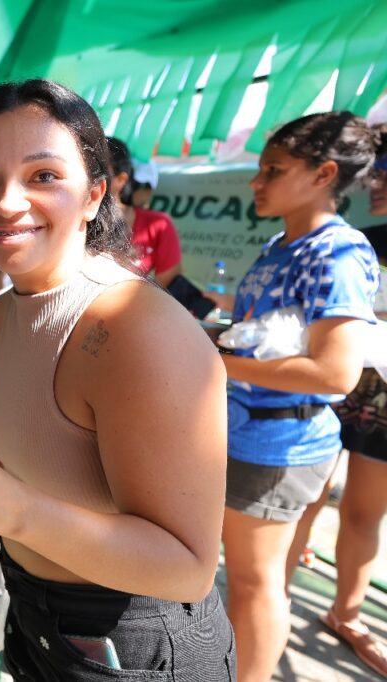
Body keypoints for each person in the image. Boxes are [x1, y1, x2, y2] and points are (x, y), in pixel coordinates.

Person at [0, 79, 234, 680]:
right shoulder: (5, 311)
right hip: (31, 612)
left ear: (95, 195)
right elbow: (12, 447)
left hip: (132, 643)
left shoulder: (138, 330)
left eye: (43, 175)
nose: (7, 202)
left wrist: (13, 512)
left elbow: (188, 568)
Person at [206, 112, 381, 682]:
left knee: (258, 583)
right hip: (247, 431)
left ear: (323, 173)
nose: (256, 182)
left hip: (280, 442)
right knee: (247, 577)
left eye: (273, 170)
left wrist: (217, 361)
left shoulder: (336, 253)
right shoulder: (286, 242)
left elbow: (335, 373)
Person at [287, 127, 387, 678]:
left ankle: (347, 614)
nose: (375, 182)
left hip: (380, 398)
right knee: (304, 497)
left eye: (385, 173)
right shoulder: (356, 240)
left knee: (363, 512)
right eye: (374, 171)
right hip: (326, 390)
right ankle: (270, 592)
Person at [107, 137, 183, 287]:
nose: (89, 178)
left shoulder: (158, 225)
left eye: (97, 171)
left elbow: (168, 289)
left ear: (121, 179)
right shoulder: (71, 218)